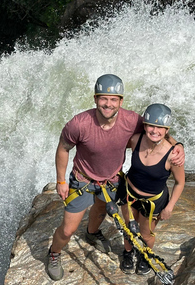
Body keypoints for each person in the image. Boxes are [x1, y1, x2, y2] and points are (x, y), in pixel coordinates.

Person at [45, 75, 185, 281]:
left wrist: (177, 144)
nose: (108, 104)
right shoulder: (79, 123)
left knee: (101, 209)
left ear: (121, 101)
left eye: (113, 99)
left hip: (111, 181)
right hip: (83, 180)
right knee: (67, 230)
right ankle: (54, 253)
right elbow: (63, 148)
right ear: (95, 99)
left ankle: (92, 233)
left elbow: (155, 130)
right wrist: (61, 181)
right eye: (103, 98)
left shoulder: (131, 120)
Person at [116, 103, 185, 275]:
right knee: (128, 228)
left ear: (167, 129)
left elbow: (179, 182)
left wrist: (169, 207)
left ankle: (144, 256)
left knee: (146, 235)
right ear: (144, 125)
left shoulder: (172, 155)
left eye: (159, 127)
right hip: (130, 193)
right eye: (151, 126)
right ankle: (128, 252)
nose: (154, 131)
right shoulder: (135, 140)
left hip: (152, 202)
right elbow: (113, 146)